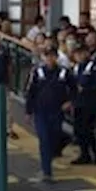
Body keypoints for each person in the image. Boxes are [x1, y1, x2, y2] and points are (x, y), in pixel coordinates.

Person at [25, 47, 73, 183]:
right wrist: (28, 111)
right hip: (41, 110)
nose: (49, 59)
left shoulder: (64, 72)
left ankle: (51, 157)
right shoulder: (37, 72)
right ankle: (47, 171)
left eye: (52, 56)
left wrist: (70, 101)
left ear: (56, 57)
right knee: (44, 139)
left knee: (54, 136)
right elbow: (31, 92)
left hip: (57, 110)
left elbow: (74, 88)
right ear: (43, 57)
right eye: (47, 56)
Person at [69, 44, 96, 165]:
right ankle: (85, 153)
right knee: (79, 130)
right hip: (78, 102)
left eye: (81, 53)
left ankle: (95, 151)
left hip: (91, 102)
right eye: (76, 54)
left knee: (87, 129)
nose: (79, 56)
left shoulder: (95, 66)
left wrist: (85, 89)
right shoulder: (76, 68)